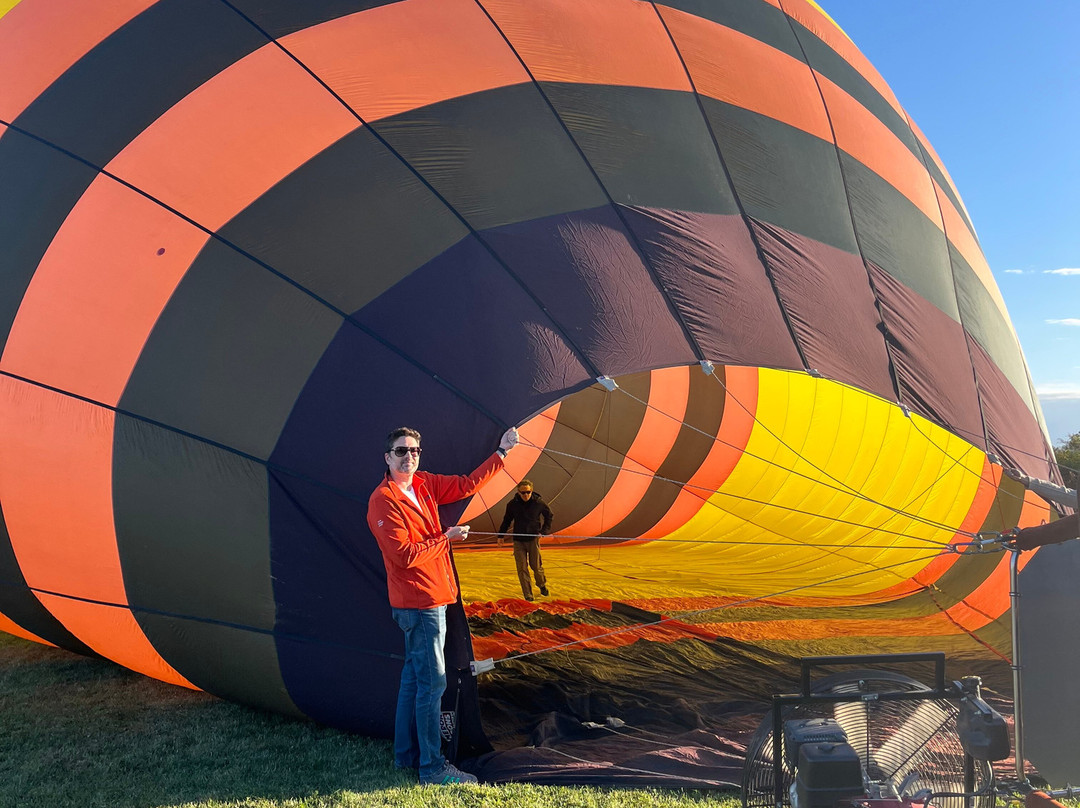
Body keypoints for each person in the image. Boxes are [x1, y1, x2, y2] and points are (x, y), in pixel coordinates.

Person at [367, 425, 519, 786]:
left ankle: (405, 757)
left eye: (415, 451)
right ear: (387, 457)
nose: (410, 457)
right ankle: (432, 768)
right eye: (402, 451)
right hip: (419, 604)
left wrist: (502, 454)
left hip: (436, 596)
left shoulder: (424, 484)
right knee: (432, 684)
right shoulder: (383, 501)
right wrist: (445, 538)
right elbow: (403, 556)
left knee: (412, 680)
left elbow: (466, 485)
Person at [497, 479, 553, 601]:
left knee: (536, 566)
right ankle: (528, 594)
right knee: (522, 568)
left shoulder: (539, 503)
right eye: (523, 493)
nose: (526, 495)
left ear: (531, 491)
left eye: (528, 492)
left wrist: (544, 531)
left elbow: (549, 516)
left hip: (533, 539)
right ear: (518, 492)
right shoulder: (512, 505)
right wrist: (500, 536)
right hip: (518, 540)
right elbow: (507, 520)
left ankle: (541, 584)